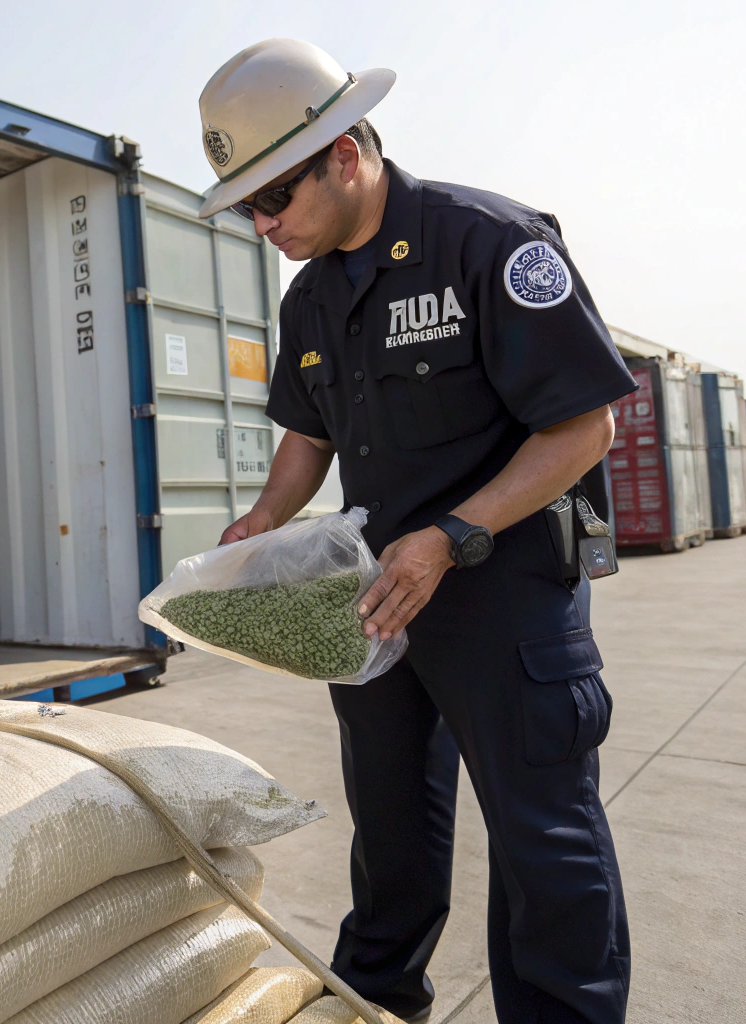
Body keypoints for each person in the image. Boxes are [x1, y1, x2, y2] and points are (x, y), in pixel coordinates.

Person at [196, 40, 635, 1024]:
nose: (265, 226)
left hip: (506, 594)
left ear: (344, 154)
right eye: (250, 208)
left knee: (542, 846)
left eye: (276, 199)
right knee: (390, 836)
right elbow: (308, 434)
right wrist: (266, 516)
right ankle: (376, 1003)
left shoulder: (492, 244)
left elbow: (582, 427)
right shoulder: (310, 293)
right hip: (383, 601)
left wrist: (449, 534)